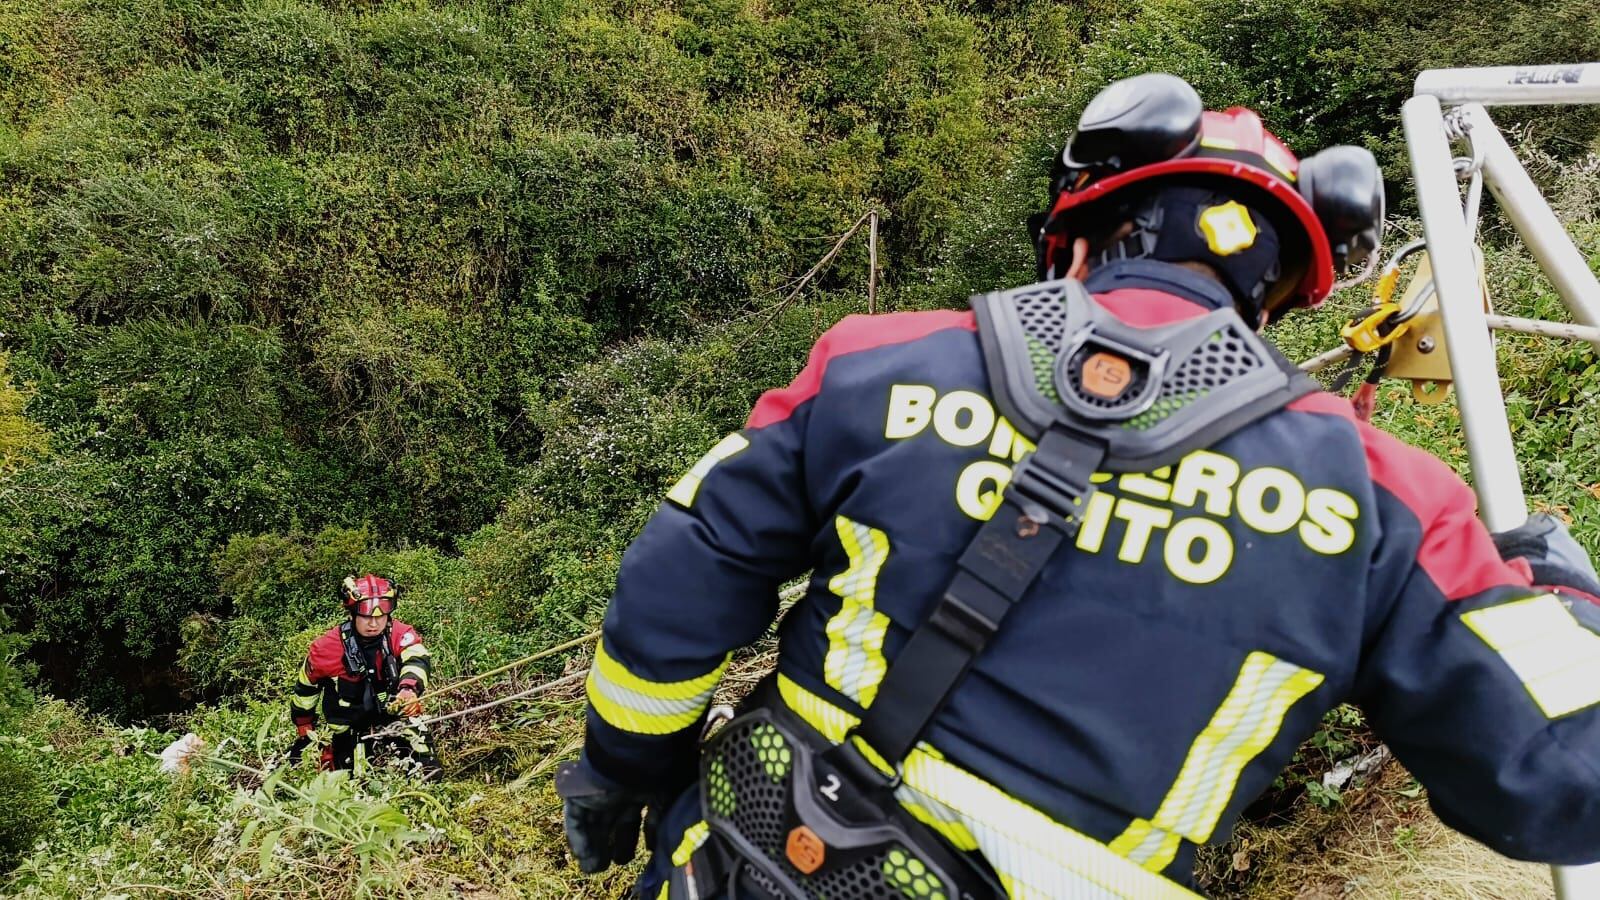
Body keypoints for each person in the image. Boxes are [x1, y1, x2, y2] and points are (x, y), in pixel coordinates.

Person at [557, 73, 1600, 899]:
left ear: (1081, 240)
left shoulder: (876, 362)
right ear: (1275, 297)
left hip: (749, 857)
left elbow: (682, 574)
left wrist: (624, 772)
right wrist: (1556, 590)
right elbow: (1563, 781)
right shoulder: (1388, 502)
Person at [288, 573, 440, 777]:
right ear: (352, 614)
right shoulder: (325, 649)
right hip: (347, 731)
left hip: (393, 719)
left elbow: (417, 658)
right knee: (351, 783)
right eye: (367, 617)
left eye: (380, 617)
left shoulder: (399, 634)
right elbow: (306, 689)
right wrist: (305, 728)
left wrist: (408, 689)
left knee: (428, 772)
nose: (374, 624)